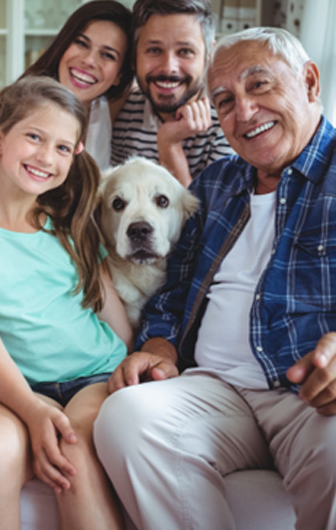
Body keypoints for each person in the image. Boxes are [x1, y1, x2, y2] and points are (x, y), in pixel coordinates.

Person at [94, 27, 336, 530]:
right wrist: (159, 345)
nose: (243, 112)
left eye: (260, 86)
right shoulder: (216, 183)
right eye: (224, 101)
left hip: (312, 395)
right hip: (214, 389)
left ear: (310, 82)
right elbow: (175, 286)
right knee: (126, 418)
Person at [0, 76, 133, 530]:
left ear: (74, 156)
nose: (44, 156)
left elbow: (116, 323)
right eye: (34, 137)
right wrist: (33, 409)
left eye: (61, 147)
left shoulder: (69, 227)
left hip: (94, 376)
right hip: (18, 388)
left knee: (70, 446)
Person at [110, 0, 233, 186]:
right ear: (134, 56)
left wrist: (170, 145)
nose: (169, 68)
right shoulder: (123, 112)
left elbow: (206, 218)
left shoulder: (228, 122)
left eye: (185, 51)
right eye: (154, 50)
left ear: (209, 56)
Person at [21, 0, 133, 170]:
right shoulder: (22, 106)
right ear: (63, 44)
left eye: (108, 55)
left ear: (120, 75)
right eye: (81, 43)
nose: (88, 61)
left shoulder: (110, 108)